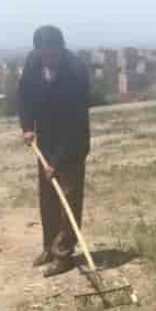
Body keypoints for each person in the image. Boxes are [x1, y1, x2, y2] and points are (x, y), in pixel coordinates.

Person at [18, 25, 91, 278]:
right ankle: (49, 247)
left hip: (73, 143)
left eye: (54, 53)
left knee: (67, 199)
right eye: (45, 53)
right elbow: (24, 95)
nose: (50, 58)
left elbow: (76, 122)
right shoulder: (33, 62)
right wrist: (27, 127)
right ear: (38, 50)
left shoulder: (76, 72)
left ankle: (64, 254)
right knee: (48, 197)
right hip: (46, 140)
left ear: (62, 48)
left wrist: (56, 162)